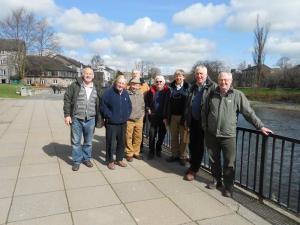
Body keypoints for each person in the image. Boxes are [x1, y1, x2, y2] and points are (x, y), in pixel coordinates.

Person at [202, 72, 273, 197]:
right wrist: (205, 127)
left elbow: (248, 113)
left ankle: (228, 187)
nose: (223, 82)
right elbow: (204, 112)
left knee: (229, 163)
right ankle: (216, 181)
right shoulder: (211, 94)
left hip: (228, 136)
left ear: (231, 81)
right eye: (221, 80)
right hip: (212, 135)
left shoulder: (237, 95)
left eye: (226, 80)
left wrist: (260, 126)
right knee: (214, 160)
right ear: (218, 81)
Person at [63, 67, 103, 171]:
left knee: (88, 141)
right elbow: (67, 98)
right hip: (76, 118)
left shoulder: (97, 87)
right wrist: (67, 115)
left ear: (93, 76)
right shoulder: (75, 85)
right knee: (76, 141)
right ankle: (77, 161)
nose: (88, 75)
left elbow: (103, 101)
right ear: (82, 75)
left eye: (90, 74)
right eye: (86, 73)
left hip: (91, 119)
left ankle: (86, 158)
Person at [183, 65, 216, 181]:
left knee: (201, 147)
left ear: (206, 75)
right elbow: (188, 105)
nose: (199, 76)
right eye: (197, 73)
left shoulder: (212, 87)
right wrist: (187, 120)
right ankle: (193, 166)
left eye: (201, 73)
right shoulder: (192, 87)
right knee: (192, 146)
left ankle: (195, 170)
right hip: (193, 121)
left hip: (204, 123)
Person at [101, 75, 132, 170]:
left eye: (123, 83)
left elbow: (129, 106)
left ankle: (119, 159)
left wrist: (127, 115)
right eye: (119, 83)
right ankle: (110, 161)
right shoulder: (108, 92)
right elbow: (103, 106)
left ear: (125, 85)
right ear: (116, 82)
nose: (121, 85)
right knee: (111, 143)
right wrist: (109, 116)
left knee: (121, 142)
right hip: (112, 123)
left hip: (123, 123)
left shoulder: (125, 93)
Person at [164, 69, 190, 166]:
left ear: (184, 77)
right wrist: (166, 117)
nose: (178, 77)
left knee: (184, 138)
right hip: (173, 116)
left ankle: (183, 156)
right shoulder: (170, 88)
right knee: (174, 137)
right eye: (177, 76)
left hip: (184, 117)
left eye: (180, 76)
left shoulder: (188, 88)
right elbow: (167, 103)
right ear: (175, 77)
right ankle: (174, 155)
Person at [145, 75, 170, 159]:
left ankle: (158, 149)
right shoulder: (150, 91)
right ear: (155, 83)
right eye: (157, 81)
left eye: (160, 81)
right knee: (152, 134)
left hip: (164, 117)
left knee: (162, 135)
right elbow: (147, 102)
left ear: (164, 82)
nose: (158, 83)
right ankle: (151, 151)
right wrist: (148, 108)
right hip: (153, 116)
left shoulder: (168, 91)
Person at [125, 77, 145, 162]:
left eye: (136, 85)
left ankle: (136, 152)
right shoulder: (126, 93)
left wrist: (142, 115)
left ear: (139, 86)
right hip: (129, 119)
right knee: (128, 137)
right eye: (133, 84)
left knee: (138, 137)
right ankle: (129, 153)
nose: (134, 86)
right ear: (130, 85)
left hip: (139, 119)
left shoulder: (140, 94)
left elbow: (143, 106)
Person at [131, 69, 150, 153]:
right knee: (130, 132)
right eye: (134, 73)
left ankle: (139, 148)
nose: (135, 75)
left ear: (140, 74)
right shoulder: (129, 84)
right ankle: (130, 148)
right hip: (130, 113)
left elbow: (149, 97)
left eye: (137, 73)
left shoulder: (145, 85)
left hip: (141, 112)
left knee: (139, 131)